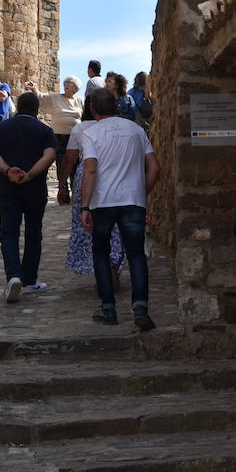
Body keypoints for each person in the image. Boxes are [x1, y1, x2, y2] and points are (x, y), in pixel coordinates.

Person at [80, 89, 160, 331]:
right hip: (132, 201)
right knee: (136, 254)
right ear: (116, 106)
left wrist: (85, 205)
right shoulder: (136, 130)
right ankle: (140, 308)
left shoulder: (90, 133)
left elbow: (91, 170)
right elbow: (155, 167)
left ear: (92, 109)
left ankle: (108, 309)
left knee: (101, 253)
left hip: (103, 203)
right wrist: (140, 192)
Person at [0, 92, 57, 300]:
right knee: (34, 234)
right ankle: (29, 280)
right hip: (35, 189)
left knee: (8, 234)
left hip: (8, 189)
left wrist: (8, 171)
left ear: (17, 107)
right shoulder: (45, 130)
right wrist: (31, 174)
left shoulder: (1, 129)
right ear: (37, 110)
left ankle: (13, 276)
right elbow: (49, 155)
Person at [61, 107, 124, 279]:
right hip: (112, 171)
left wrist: (62, 184)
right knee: (114, 223)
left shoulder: (81, 129)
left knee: (86, 223)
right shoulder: (121, 126)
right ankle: (113, 261)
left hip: (86, 174)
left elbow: (69, 159)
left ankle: (99, 266)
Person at [24, 76, 81, 177]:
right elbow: (41, 97)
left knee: (74, 162)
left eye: (69, 83)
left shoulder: (80, 101)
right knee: (61, 162)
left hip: (75, 136)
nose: (66, 84)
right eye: (65, 82)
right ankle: (62, 187)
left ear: (76, 87)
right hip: (59, 136)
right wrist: (34, 89)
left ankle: (73, 186)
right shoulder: (55, 97)